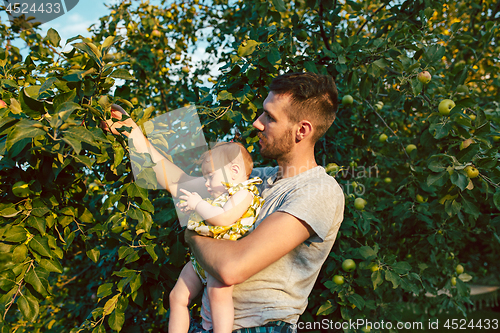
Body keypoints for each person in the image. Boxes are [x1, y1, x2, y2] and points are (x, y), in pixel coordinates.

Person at [102, 71, 344, 332]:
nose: (257, 123)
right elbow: (179, 182)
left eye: (270, 117)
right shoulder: (256, 179)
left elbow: (231, 269)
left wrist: (194, 231)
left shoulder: (317, 191)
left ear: (302, 130)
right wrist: (131, 133)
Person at [169, 142, 264, 333]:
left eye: (210, 177)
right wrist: (192, 208)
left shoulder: (244, 193)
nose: (206, 183)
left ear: (234, 171)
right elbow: (210, 214)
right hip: (201, 259)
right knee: (176, 297)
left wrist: (198, 205)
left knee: (218, 296)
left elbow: (224, 217)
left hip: (222, 257)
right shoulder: (220, 198)